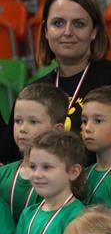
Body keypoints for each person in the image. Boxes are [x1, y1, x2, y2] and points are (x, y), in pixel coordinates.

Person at [0, 0, 111, 164]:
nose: (67, 32)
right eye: (58, 23)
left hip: (106, 182)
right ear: (45, 31)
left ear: (94, 31)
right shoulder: (33, 92)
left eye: (79, 24)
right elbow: (9, 161)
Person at [6, 130, 86, 234]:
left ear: (73, 172)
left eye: (47, 167)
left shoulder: (78, 216)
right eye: (32, 167)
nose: (37, 174)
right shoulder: (28, 213)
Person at [0, 83, 68, 222]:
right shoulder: (3, 174)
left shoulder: (61, 180)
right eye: (18, 121)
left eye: (33, 122)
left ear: (57, 130)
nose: (22, 129)